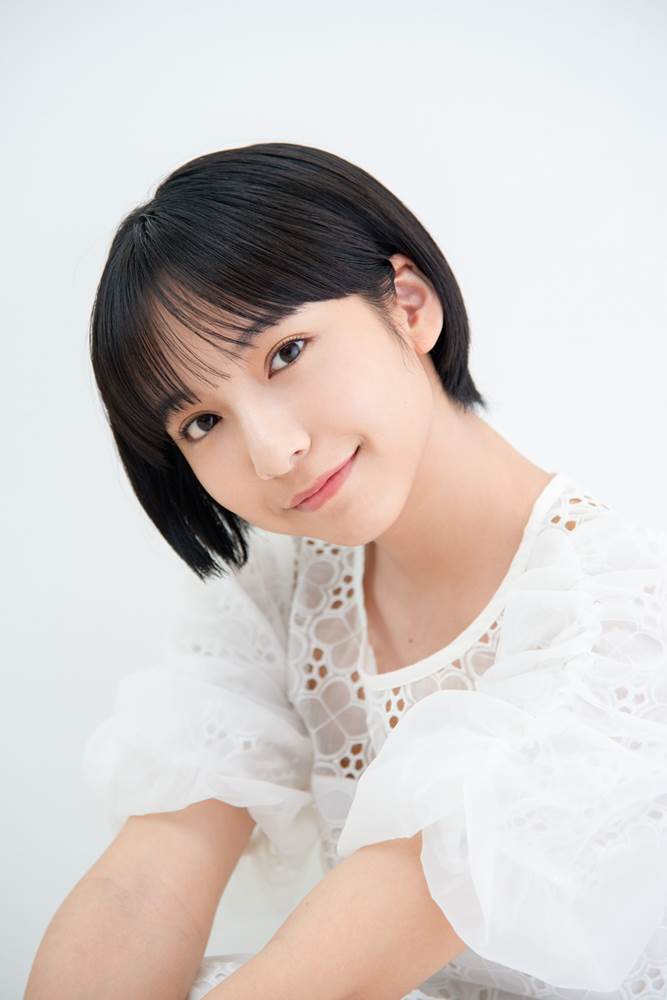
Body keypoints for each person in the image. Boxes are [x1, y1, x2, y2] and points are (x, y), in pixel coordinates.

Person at [25, 142, 667, 1000]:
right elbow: (144, 879)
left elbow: (343, 963)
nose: (272, 452)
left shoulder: (617, 618)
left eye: (286, 353)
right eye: (202, 423)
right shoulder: (283, 587)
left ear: (408, 305)